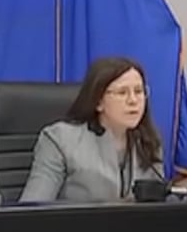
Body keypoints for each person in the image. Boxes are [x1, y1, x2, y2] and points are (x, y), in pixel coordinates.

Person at [20, 57, 164, 202]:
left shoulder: (148, 142)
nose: (133, 100)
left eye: (139, 91)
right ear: (98, 102)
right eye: (122, 92)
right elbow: (33, 208)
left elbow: (158, 206)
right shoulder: (60, 140)